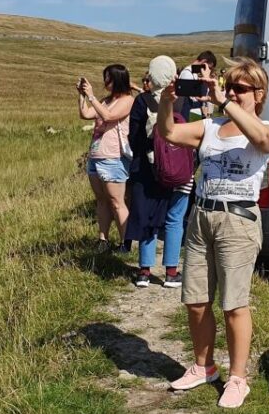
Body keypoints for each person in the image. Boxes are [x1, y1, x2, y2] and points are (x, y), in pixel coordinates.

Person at [159, 56, 269, 409]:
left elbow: (262, 141)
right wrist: (167, 101)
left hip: (238, 221)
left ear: (259, 94)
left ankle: (238, 378)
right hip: (201, 217)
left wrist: (222, 100)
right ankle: (203, 366)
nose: (233, 93)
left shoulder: (266, 128)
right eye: (230, 87)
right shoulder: (210, 126)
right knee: (195, 301)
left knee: (234, 304)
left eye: (241, 89)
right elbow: (169, 133)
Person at [125, 55, 191, 289]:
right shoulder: (184, 100)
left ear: (152, 75)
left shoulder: (142, 101)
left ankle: (144, 271)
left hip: (148, 169)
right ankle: (171, 272)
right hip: (180, 171)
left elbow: (134, 137)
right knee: (174, 219)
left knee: (147, 218)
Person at [78, 64, 134, 253]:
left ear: (118, 79)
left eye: (108, 78)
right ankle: (103, 239)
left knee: (116, 201)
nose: (105, 82)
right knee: (101, 200)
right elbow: (85, 114)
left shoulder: (127, 100)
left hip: (113, 157)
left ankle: (125, 242)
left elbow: (109, 116)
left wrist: (92, 97)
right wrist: (82, 96)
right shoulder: (105, 100)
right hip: (96, 155)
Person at [178, 50, 217, 121]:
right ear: (204, 62)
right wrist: (206, 79)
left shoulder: (194, 73)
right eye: (209, 68)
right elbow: (192, 98)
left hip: (193, 114)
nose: (209, 70)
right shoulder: (187, 73)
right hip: (187, 115)